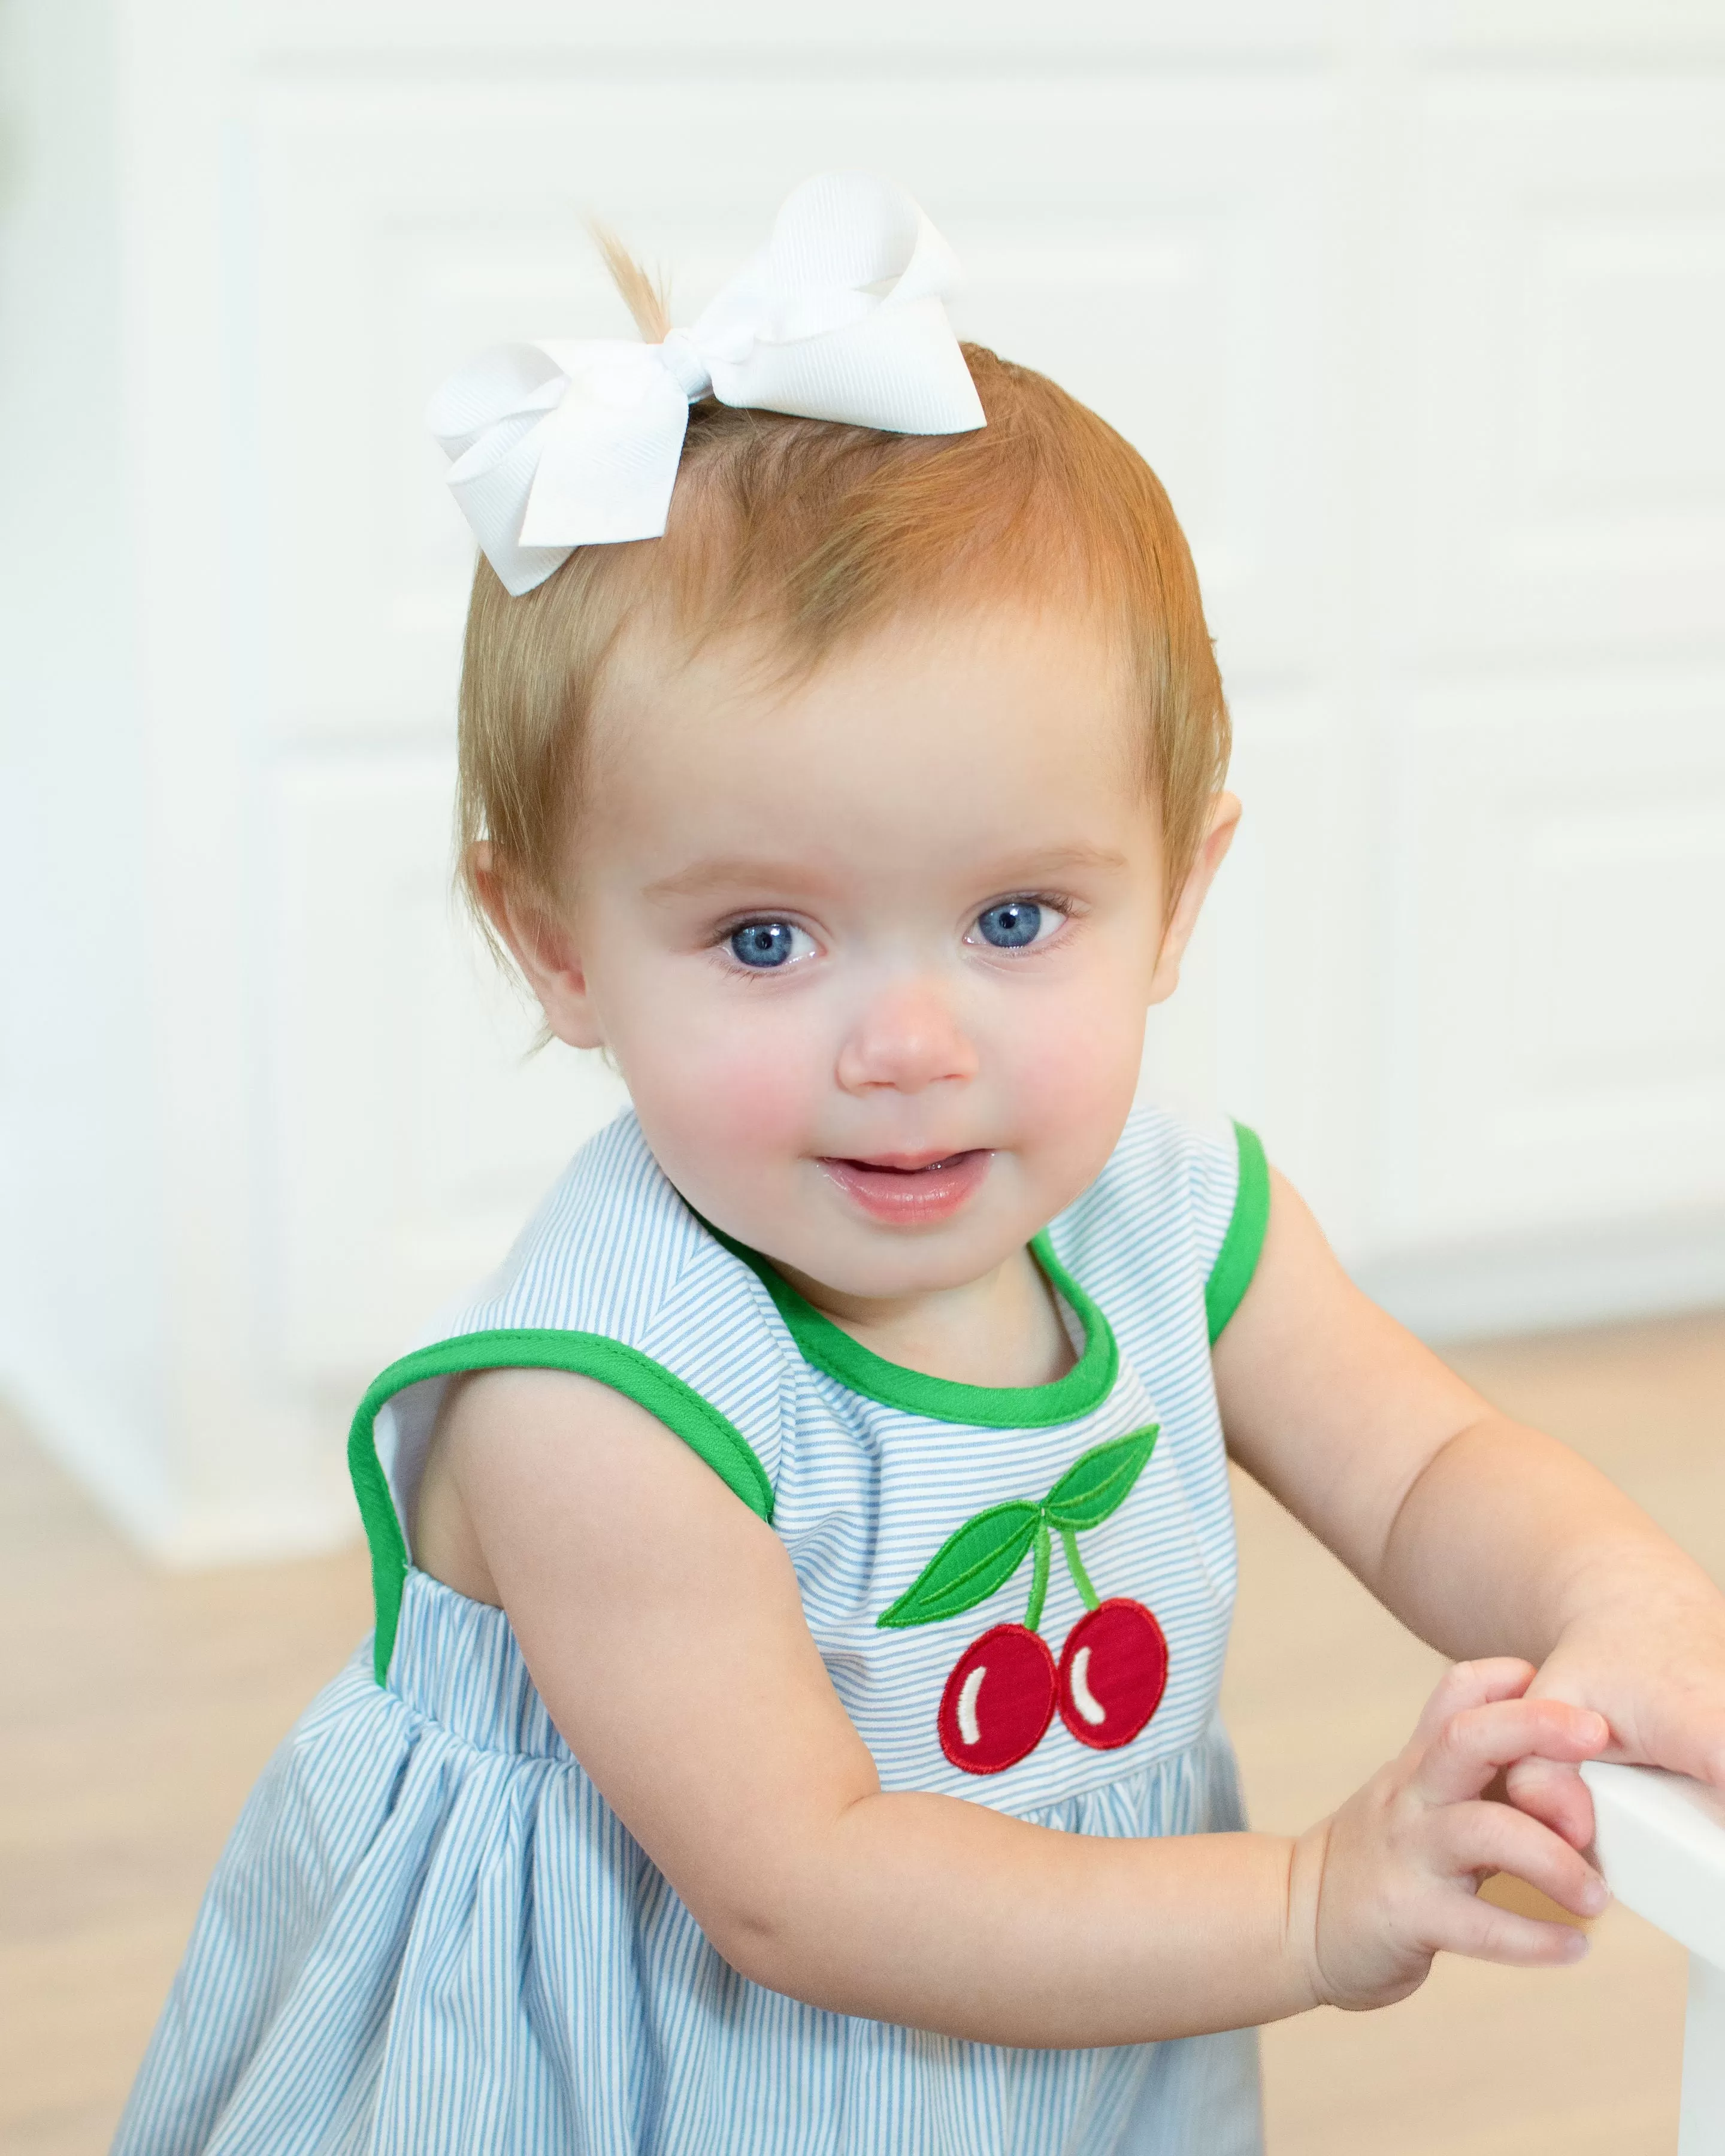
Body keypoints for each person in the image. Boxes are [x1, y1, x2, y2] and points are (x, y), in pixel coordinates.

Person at [114, 174, 1725, 2156]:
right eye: (767, 941)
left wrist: (1617, 1592)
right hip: (655, 2064)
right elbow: (802, 1880)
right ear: (555, 943)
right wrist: (1311, 1902)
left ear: (1177, 893)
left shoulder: (1167, 1212)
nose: (908, 1046)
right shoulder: (596, 1407)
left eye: (1019, 918)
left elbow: (1421, 1464)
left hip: (1064, 2024)